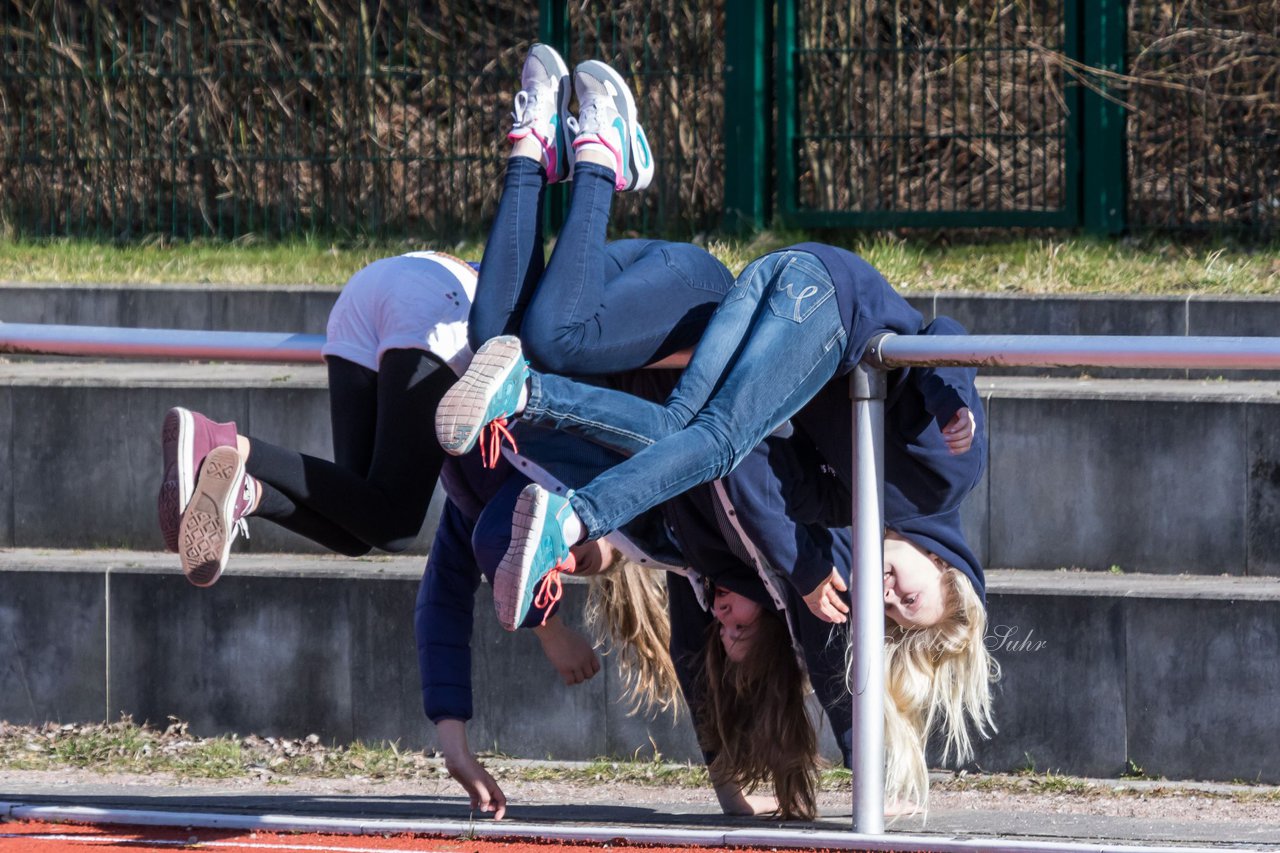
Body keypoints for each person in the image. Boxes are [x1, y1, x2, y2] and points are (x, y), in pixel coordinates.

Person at [438, 244, 997, 810]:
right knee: (719, 443)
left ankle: (526, 394)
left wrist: (801, 564)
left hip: (767, 281)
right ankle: (575, 515)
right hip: (821, 295)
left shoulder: (849, 507)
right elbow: (943, 333)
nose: (890, 595)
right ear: (941, 561)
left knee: (682, 428)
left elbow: (778, 483)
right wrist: (953, 401)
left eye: (894, 610)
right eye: (911, 595)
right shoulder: (946, 480)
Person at [157, 250, 475, 586]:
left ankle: (247, 492)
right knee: (396, 527)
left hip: (370, 287)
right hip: (444, 303)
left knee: (354, 528)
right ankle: (222, 442)